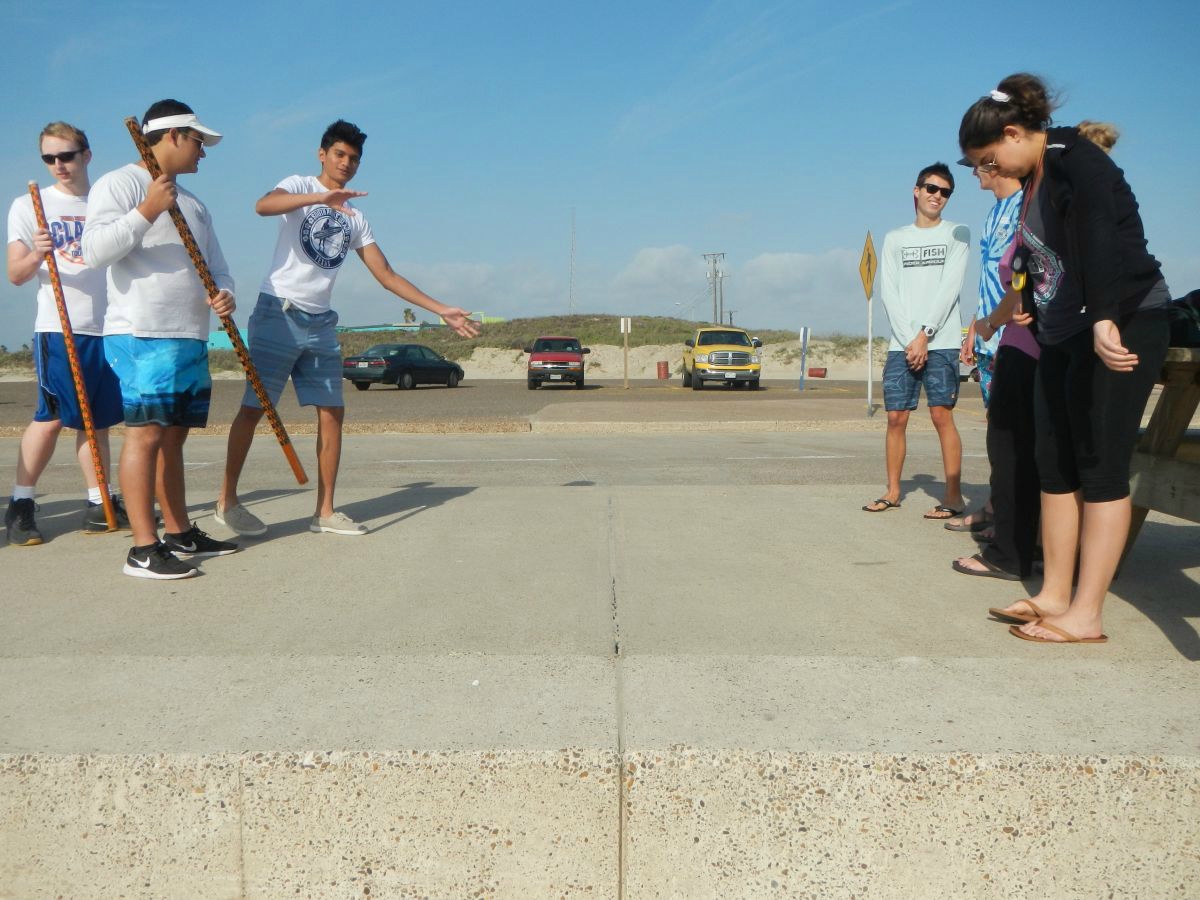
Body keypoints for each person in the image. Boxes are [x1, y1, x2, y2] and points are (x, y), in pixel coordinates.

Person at [959, 75, 1170, 643]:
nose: (990, 173)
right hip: (1062, 330)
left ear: (1012, 132)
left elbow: (1101, 235)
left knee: (1099, 466)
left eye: (989, 161)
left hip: (1124, 319)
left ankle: (1087, 614)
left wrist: (1104, 316)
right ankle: (1054, 593)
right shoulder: (1033, 178)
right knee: (1054, 463)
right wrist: (1024, 300)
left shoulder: (1075, 157)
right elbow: (1032, 252)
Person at [214, 119, 479, 538]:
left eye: (354, 159)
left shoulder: (356, 218)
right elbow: (262, 206)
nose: (347, 164)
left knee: (333, 412)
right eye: (340, 155)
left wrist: (441, 308)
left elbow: (386, 274)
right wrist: (321, 196)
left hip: (320, 322)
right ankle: (227, 500)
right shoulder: (298, 186)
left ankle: (324, 511)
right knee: (256, 407)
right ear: (322, 154)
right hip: (277, 313)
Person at [83, 99, 238, 579]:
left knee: (173, 438)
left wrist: (225, 294)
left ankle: (178, 531)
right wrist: (147, 209)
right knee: (145, 435)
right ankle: (143, 548)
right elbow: (94, 252)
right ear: (171, 135)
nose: (203, 154)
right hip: (141, 332)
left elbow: (218, 267)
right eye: (198, 142)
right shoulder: (120, 183)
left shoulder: (194, 203)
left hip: (189, 335)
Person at [5, 122, 126, 546]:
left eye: (67, 156)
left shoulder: (105, 202)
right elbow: (16, 274)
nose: (59, 165)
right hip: (58, 326)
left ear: (86, 155)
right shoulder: (30, 205)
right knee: (52, 416)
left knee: (98, 420)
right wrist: (38, 250)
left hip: (108, 325)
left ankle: (98, 501)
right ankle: (21, 503)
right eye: (49, 158)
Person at [863, 163, 969, 519]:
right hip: (902, 343)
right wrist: (911, 338)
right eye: (931, 188)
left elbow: (949, 289)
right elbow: (888, 291)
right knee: (895, 417)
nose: (937, 196)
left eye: (945, 191)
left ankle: (953, 497)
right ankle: (893, 491)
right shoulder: (895, 238)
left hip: (941, 341)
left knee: (941, 415)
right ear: (916, 190)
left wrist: (926, 334)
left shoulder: (958, 233)